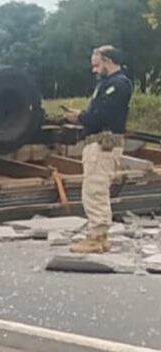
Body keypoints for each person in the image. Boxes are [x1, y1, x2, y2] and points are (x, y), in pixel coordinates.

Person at [64, 45, 133, 254]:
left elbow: (104, 116)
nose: (94, 70)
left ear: (107, 61)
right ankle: (98, 236)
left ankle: (96, 237)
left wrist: (80, 117)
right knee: (93, 189)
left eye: (96, 65)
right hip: (99, 142)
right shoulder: (108, 84)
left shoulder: (118, 85)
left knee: (95, 190)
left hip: (104, 143)